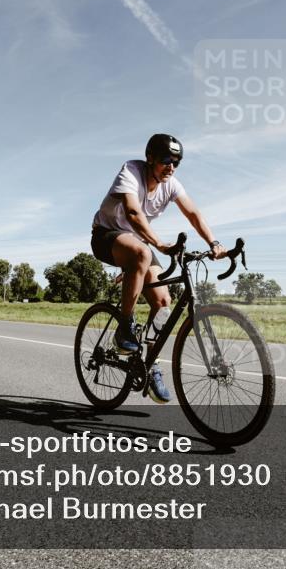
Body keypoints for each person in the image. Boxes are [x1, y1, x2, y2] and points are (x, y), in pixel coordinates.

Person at [90, 134, 226, 404]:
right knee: (142, 252)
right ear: (150, 158)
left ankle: (150, 365)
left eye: (176, 162)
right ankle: (124, 328)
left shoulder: (171, 184)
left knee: (163, 302)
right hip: (106, 236)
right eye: (166, 160)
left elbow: (193, 213)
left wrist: (213, 242)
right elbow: (132, 213)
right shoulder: (132, 170)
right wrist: (160, 245)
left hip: (137, 242)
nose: (171, 167)